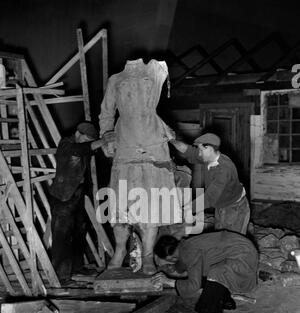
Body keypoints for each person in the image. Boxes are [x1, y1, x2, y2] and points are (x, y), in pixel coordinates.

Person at [98, 58, 181, 275]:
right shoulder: (115, 79)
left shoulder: (155, 70)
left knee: (151, 207)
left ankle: (147, 257)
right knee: (120, 208)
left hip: (154, 145)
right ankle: (119, 252)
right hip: (125, 144)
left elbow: (161, 67)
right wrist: (106, 138)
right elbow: (106, 113)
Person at [151, 231, 258, 313]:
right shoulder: (185, 245)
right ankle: (225, 299)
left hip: (243, 260)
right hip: (244, 251)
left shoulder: (189, 251)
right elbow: (183, 265)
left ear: (171, 258)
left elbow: (194, 286)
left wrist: (168, 281)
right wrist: (174, 269)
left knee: (215, 273)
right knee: (206, 270)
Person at [49, 121, 111, 285]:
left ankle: (76, 268)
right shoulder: (66, 144)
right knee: (62, 236)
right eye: (86, 139)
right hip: (62, 197)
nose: (87, 143)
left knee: (79, 232)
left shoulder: (80, 144)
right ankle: (61, 276)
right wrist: (102, 141)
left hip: (75, 195)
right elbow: (81, 150)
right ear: (78, 134)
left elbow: (90, 150)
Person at [169, 132, 250, 235]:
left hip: (235, 209)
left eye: (201, 150)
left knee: (233, 243)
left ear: (210, 149)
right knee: (220, 239)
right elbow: (188, 151)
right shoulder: (209, 158)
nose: (198, 153)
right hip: (222, 205)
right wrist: (170, 140)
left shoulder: (224, 169)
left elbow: (208, 199)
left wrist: (183, 210)